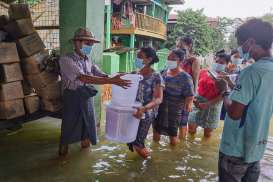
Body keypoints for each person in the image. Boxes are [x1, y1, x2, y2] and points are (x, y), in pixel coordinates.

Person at [58, 28, 131, 156]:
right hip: (72, 97)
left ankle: (84, 156)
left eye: (91, 44)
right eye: (87, 43)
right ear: (77, 43)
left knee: (87, 126)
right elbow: (83, 77)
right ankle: (62, 156)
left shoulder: (88, 59)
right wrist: (112, 81)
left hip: (86, 97)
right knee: (68, 128)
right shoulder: (66, 59)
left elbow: (100, 74)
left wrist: (116, 76)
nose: (90, 46)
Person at [216, 19, 273, 182]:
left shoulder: (251, 72)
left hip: (235, 149)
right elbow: (256, 98)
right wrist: (233, 85)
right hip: (256, 149)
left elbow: (234, 113)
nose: (240, 49)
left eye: (241, 44)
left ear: (251, 42)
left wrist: (224, 91)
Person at [128, 47, 164, 159]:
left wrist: (144, 108)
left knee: (138, 144)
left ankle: (150, 164)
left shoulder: (156, 76)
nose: (136, 59)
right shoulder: (134, 73)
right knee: (130, 139)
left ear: (149, 59)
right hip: (134, 110)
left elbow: (159, 98)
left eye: (140, 57)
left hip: (147, 112)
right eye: (136, 57)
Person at [153, 49, 194, 145]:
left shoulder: (185, 77)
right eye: (168, 58)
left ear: (180, 61)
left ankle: (173, 157)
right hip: (160, 108)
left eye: (173, 59)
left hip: (175, 111)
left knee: (173, 137)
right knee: (156, 133)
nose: (169, 60)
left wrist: (188, 106)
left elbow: (190, 95)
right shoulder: (163, 72)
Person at [188, 51, 230, 138]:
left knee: (207, 134)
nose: (218, 64)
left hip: (213, 106)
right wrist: (194, 98)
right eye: (216, 61)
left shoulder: (226, 78)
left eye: (221, 63)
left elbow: (224, 95)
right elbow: (195, 85)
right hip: (197, 103)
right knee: (191, 129)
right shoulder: (204, 71)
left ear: (227, 64)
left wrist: (208, 104)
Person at [176, 37, 200, 138]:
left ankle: (182, 144)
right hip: (174, 94)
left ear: (189, 46)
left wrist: (192, 98)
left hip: (186, 96)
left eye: (181, 46)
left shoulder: (193, 61)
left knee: (183, 121)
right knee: (174, 120)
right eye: (177, 46)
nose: (178, 48)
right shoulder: (176, 58)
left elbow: (195, 79)